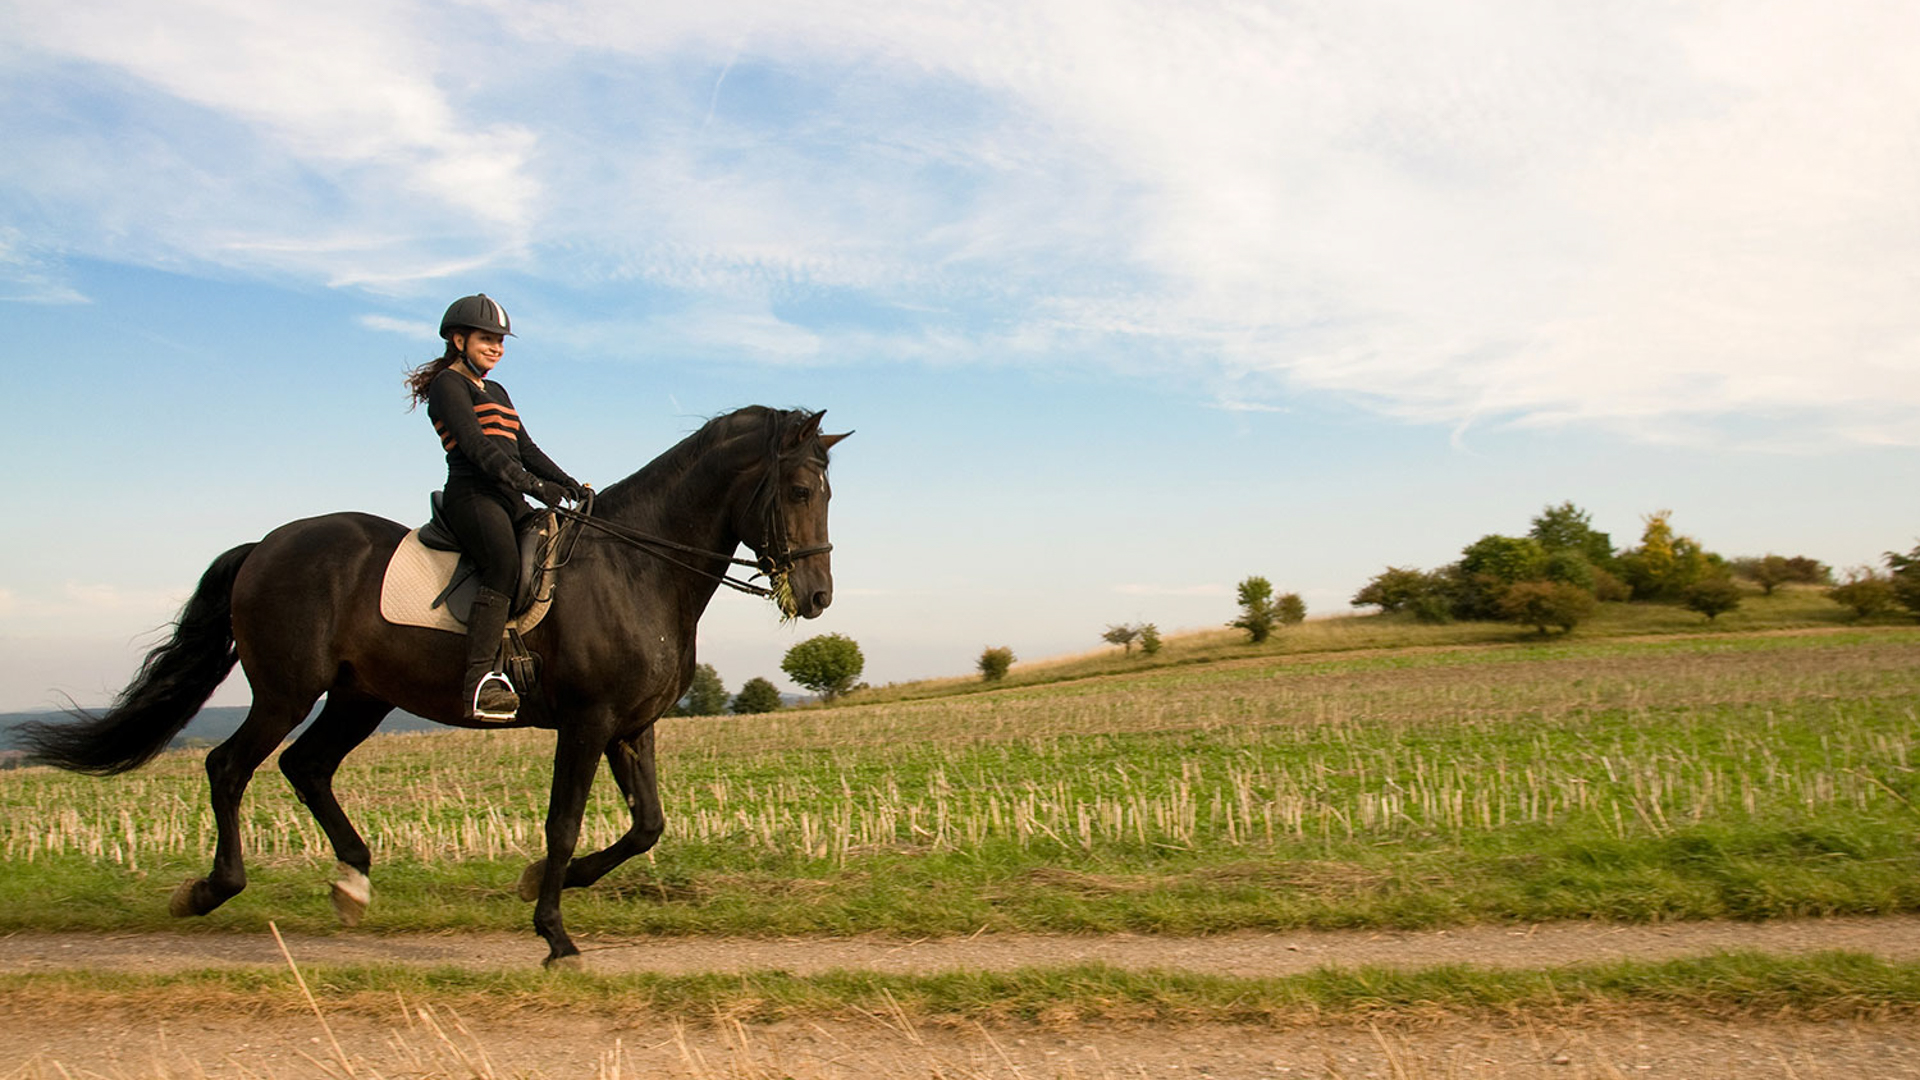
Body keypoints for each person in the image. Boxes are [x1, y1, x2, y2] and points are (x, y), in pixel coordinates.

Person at [404, 294, 586, 721]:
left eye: (501, 342)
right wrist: (534, 486)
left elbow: (525, 448)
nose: (496, 349)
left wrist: (569, 484)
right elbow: (476, 447)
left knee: (559, 548)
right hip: (473, 496)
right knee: (503, 566)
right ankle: (479, 684)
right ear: (458, 339)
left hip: (509, 496)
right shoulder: (448, 385)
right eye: (487, 339)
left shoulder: (498, 390)